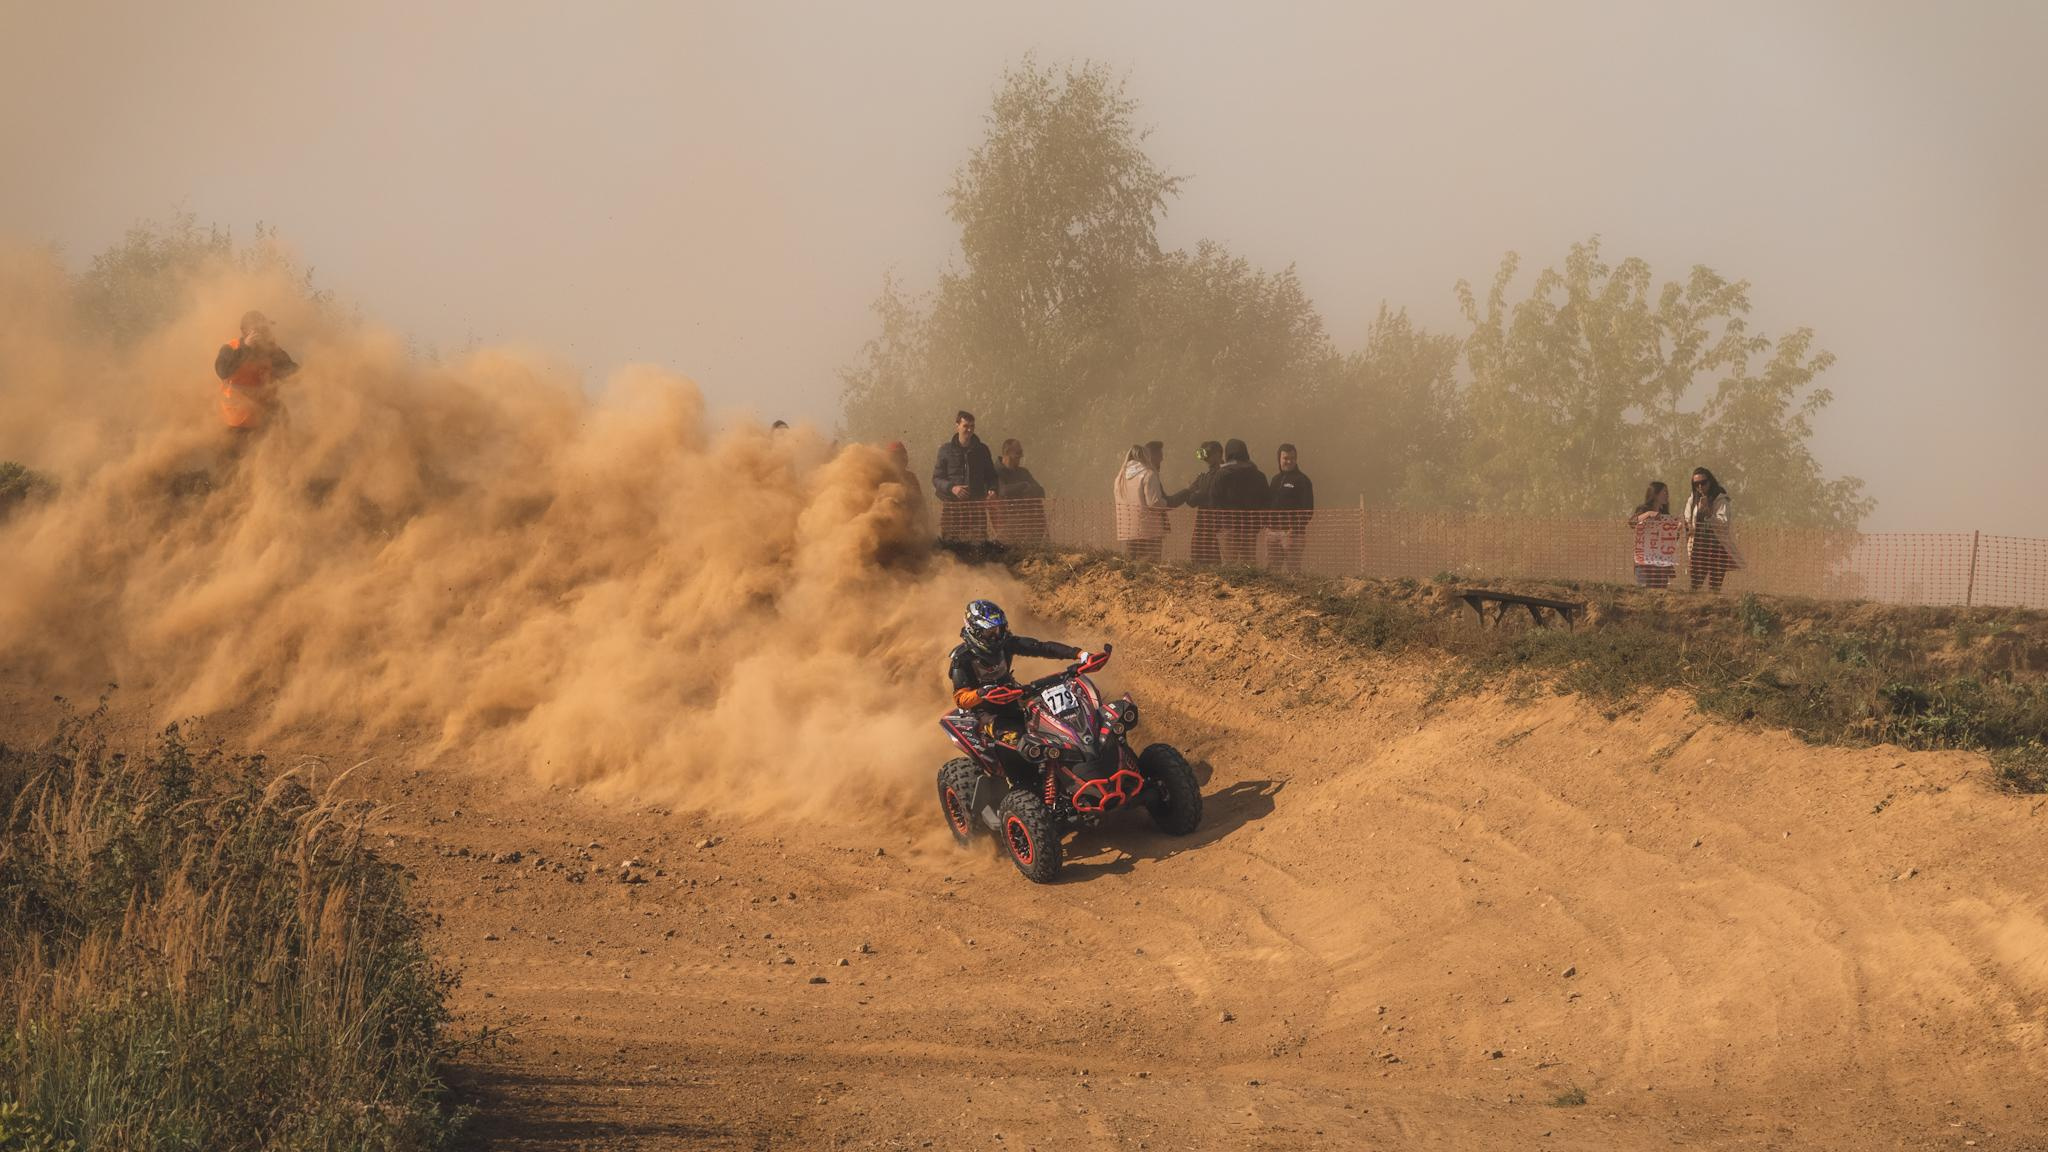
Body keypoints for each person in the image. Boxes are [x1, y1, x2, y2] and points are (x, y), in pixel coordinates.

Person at [947, 600, 1095, 743]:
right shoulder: (962, 658)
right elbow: (960, 699)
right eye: (990, 632)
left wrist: (1079, 654)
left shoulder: (1006, 642)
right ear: (975, 631)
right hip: (985, 713)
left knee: (1057, 722)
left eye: (999, 630)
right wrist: (981, 693)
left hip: (1015, 698)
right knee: (1019, 740)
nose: (996, 636)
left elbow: (1041, 647)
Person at [213, 310, 299, 432]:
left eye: (264, 328)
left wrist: (309, 374)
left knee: (281, 420)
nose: (263, 333)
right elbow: (222, 372)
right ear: (245, 331)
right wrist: (246, 348)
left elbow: (290, 372)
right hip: (236, 418)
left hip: (265, 414)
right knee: (238, 449)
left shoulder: (272, 351)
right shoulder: (232, 348)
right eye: (257, 329)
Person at [931, 410, 997, 541]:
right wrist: (952, 488)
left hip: (976, 506)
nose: (969, 430)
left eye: (972, 426)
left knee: (979, 544)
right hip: (952, 506)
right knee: (950, 544)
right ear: (957, 426)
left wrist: (993, 489)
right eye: (965, 426)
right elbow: (936, 479)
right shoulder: (945, 450)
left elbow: (991, 476)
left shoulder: (982, 450)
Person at [1682, 467, 1743, 592]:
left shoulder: (1720, 498)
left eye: (1703, 482)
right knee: (1695, 586)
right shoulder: (1692, 499)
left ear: (1710, 482)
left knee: (1714, 587)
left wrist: (1709, 514)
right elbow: (1687, 519)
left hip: (1718, 548)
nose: (1700, 486)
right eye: (1696, 484)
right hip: (1698, 548)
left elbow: (1724, 523)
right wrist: (1688, 528)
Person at [1210, 439, 1269, 566]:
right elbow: (1265, 500)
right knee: (1248, 562)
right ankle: (1249, 585)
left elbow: (1214, 499)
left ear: (1227, 454)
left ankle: (1228, 585)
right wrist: (1259, 523)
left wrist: (1218, 523)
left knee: (1229, 563)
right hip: (1250, 527)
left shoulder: (1221, 474)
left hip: (1228, 526)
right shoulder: (1258, 475)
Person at [1113, 444, 1173, 560]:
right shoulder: (1149, 474)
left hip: (1127, 531)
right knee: (1149, 567)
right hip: (1149, 531)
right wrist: (1166, 503)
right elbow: (1154, 503)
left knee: (1131, 566)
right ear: (1146, 457)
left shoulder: (1119, 478)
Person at [1267, 443, 1315, 573]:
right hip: (1273, 533)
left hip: (1293, 534)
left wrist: (1294, 529)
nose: (1289, 461)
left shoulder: (1302, 480)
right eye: (1285, 458)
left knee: (1293, 570)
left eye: (1292, 458)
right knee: (1272, 570)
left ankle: (1297, 593)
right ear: (1279, 459)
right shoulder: (1275, 480)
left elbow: (1308, 511)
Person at [1175, 440, 1225, 566]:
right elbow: (1192, 500)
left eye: (1210, 453)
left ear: (1218, 454)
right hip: (1205, 523)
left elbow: (1194, 498)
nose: (1206, 458)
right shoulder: (1206, 476)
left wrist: (1190, 489)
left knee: (1212, 559)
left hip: (1215, 524)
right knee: (1200, 557)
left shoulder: (1220, 474)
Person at [993, 437, 1047, 543]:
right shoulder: (995, 471)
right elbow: (1003, 491)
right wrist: (1024, 486)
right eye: (1018, 452)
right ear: (1007, 453)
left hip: (1027, 523)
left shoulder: (1023, 472)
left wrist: (1025, 489)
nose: (1021, 456)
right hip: (1006, 523)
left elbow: (1041, 491)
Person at [1629, 481, 1678, 588]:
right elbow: (1632, 522)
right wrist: (1648, 514)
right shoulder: (1643, 510)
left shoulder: (1665, 515)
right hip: (1644, 563)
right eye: (1664, 492)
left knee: (1661, 593)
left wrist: (1676, 531)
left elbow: (1670, 541)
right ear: (1655, 494)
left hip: (1661, 564)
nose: (1667, 495)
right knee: (1645, 592)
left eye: (1667, 492)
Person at [886, 440, 927, 525]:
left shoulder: (911, 477)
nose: (898, 460)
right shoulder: (882, 476)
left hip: (908, 522)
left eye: (900, 456)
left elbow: (920, 503)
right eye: (895, 457)